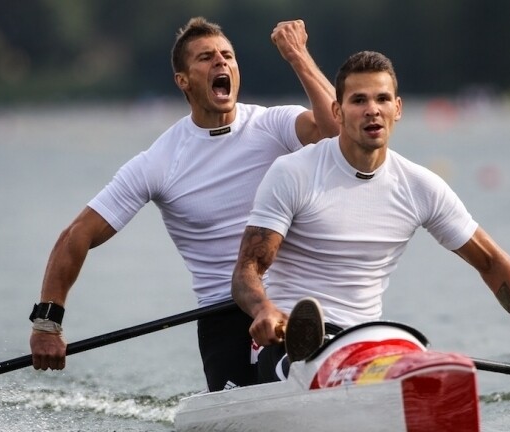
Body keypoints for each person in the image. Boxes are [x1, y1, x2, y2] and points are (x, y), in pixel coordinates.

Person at [231, 50, 510, 398]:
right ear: (337, 112)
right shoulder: (294, 173)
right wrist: (263, 309)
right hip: (291, 341)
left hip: (364, 345)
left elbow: (491, 262)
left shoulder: (420, 186)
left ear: (397, 109)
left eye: (382, 99)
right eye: (359, 100)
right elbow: (248, 269)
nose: (372, 109)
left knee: (427, 369)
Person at [28, 17, 339, 392]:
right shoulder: (160, 161)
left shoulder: (274, 124)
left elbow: (339, 132)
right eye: (206, 58)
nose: (221, 63)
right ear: (183, 80)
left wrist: (297, 55)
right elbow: (77, 235)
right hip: (224, 316)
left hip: (295, 302)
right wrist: (47, 323)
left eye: (228, 56)